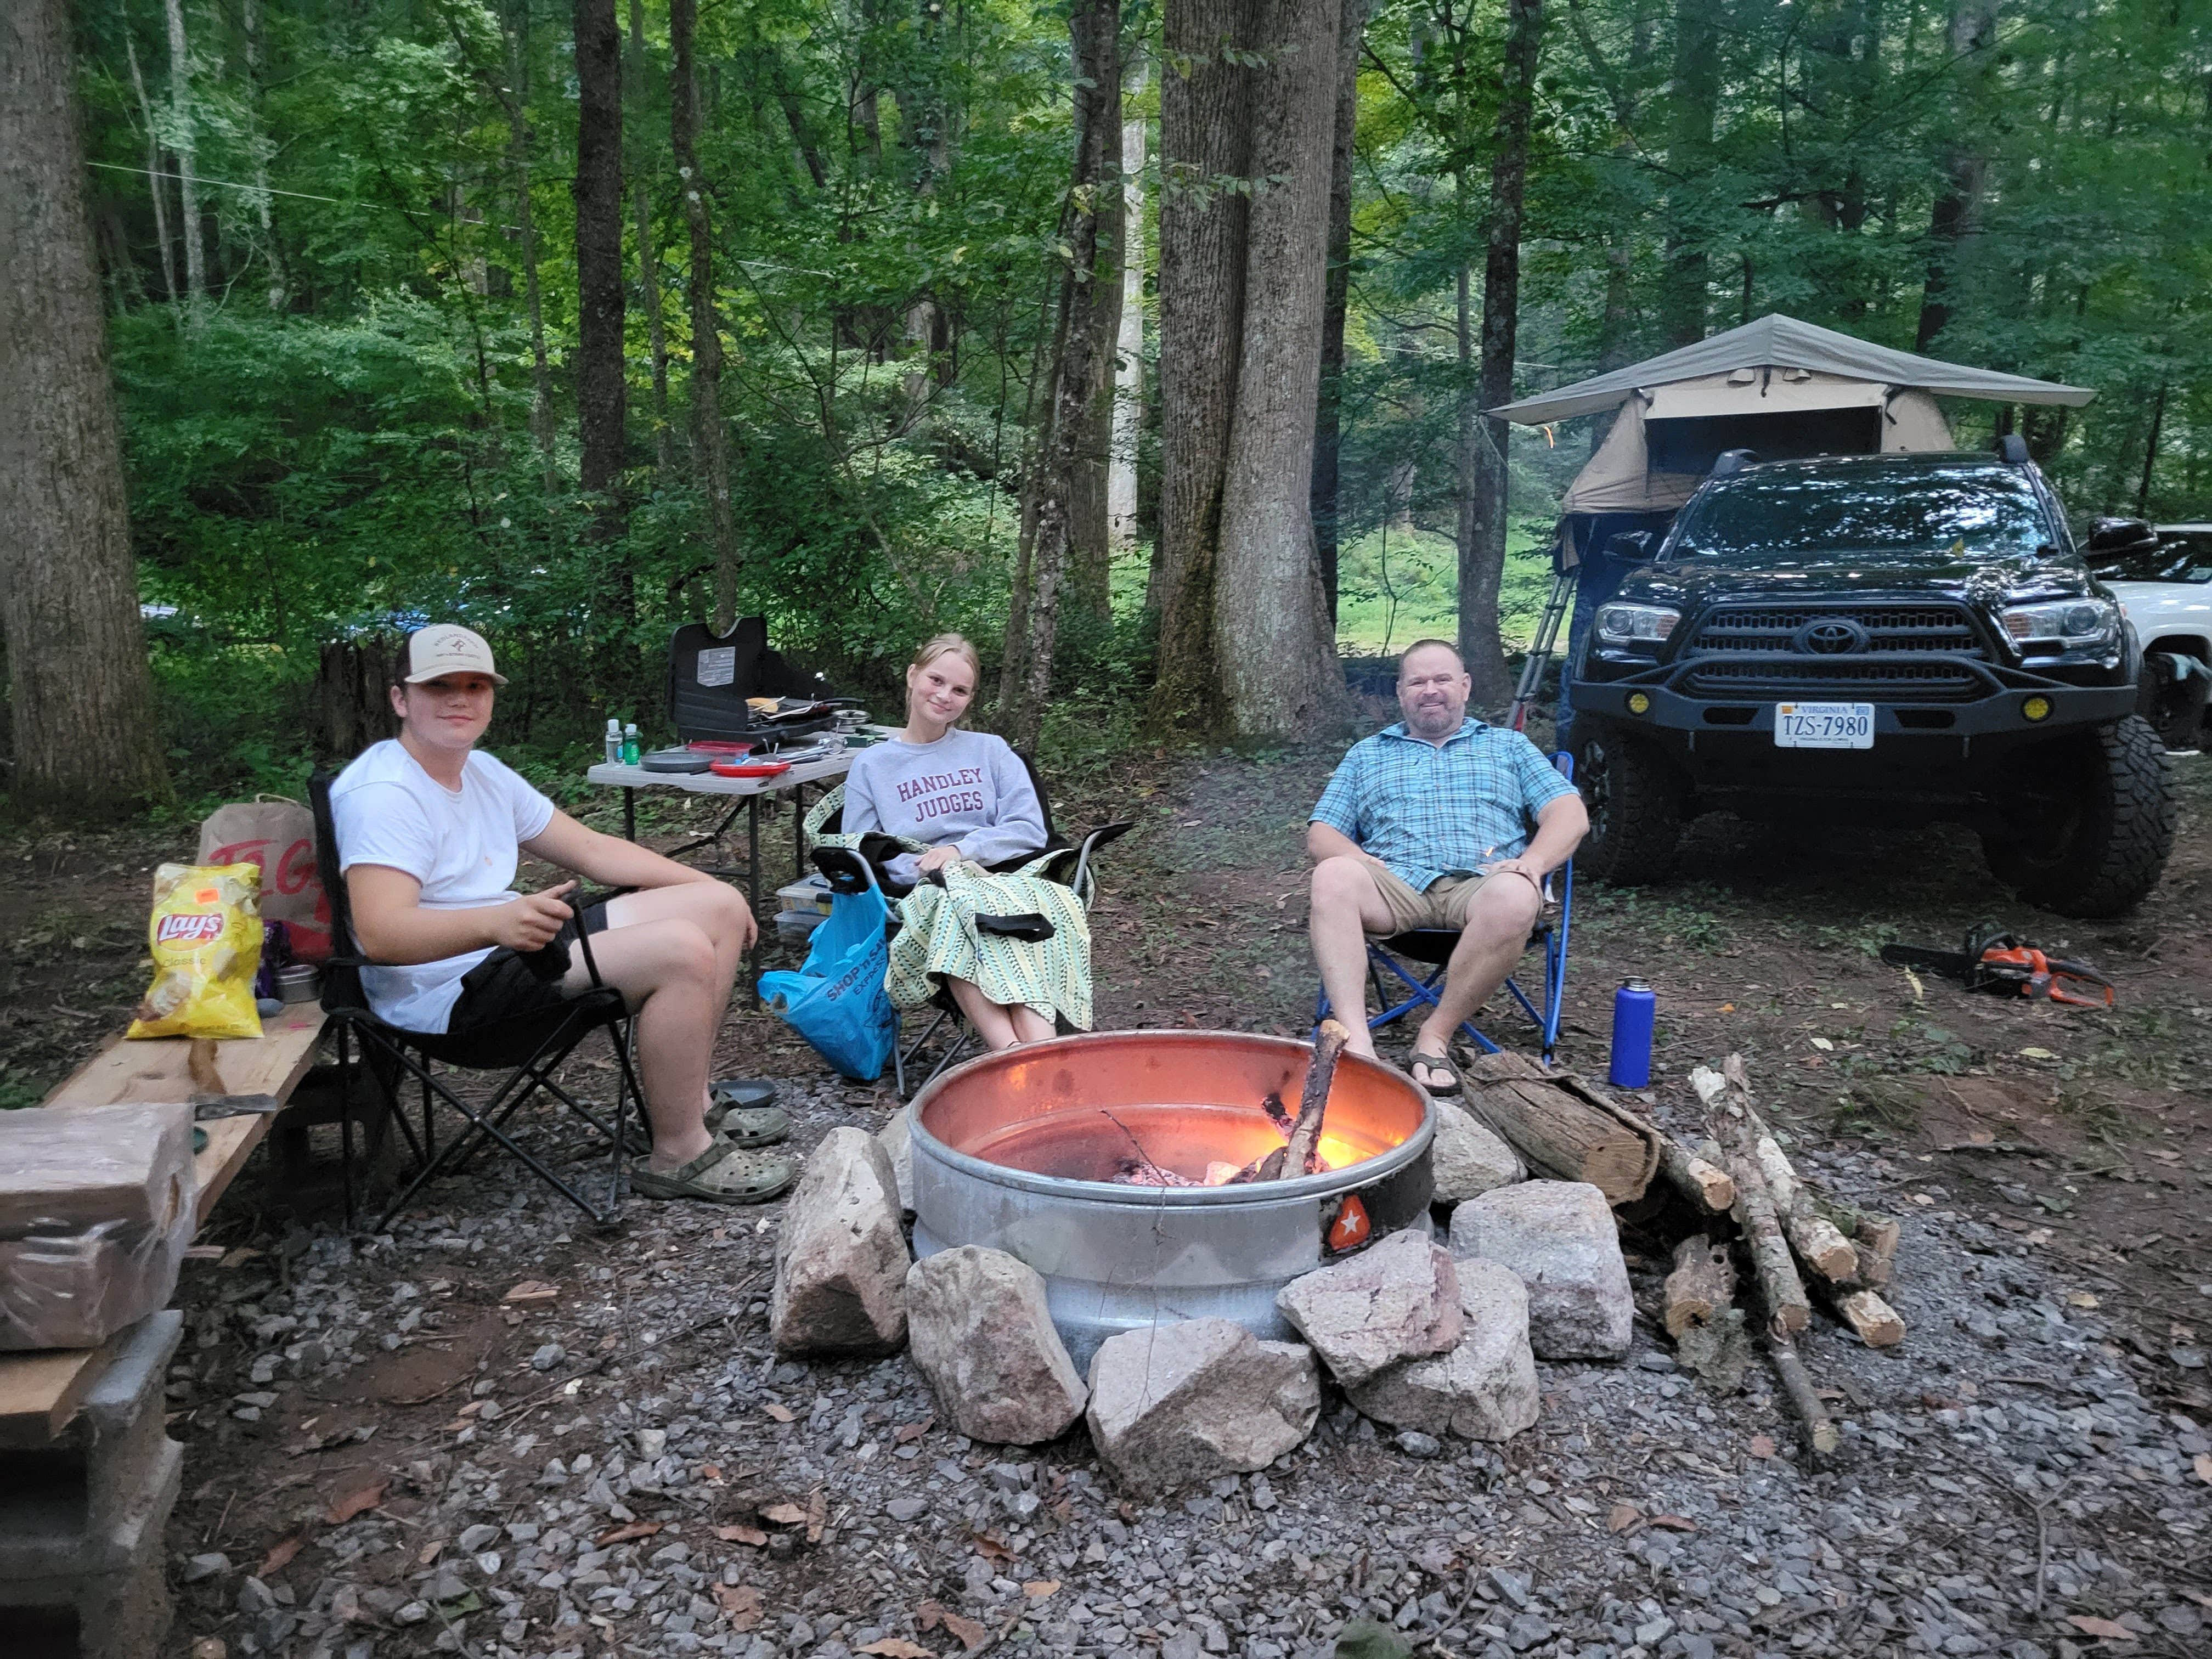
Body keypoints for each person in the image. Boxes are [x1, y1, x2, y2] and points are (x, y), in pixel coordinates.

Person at [329, 623, 793, 1204]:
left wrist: (710, 883)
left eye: (475, 685)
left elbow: (592, 850)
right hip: (448, 995)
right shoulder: (383, 793)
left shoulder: (482, 772)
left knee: (716, 907)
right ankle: (678, 1154)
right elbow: (381, 934)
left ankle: (690, 1109)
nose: (459, 699)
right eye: (438, 685)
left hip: (512, 947)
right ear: (401, 699)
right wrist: (494, 924)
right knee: (681, 950)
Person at [1308, 638, 1589, 1094]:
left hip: (1484, 887)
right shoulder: (1367, 754)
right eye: (1417, 682)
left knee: (1516, 892)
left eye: (1442, 679)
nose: (1430, 690)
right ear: (1401, 692)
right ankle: (1357, 1046)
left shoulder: (1509, 746)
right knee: (1332, 874)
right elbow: (1322, 834)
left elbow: (1569, 814)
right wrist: (1359, 859)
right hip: (1395, 886)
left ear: (1465, 686)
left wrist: (1532, 863)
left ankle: (1435, 1035)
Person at [838, 634, 1090, 1049]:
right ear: (913, 675)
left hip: (1004, 877)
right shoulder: (872, 765)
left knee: (1013, 917)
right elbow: (864, 849)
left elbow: (1029, 828)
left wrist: (961, 851)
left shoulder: (991, 751)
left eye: (960, 690)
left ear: (970, 699)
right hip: (928, 887)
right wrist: (929, 868)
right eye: (936, 681)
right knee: (956, 916)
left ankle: (1029, 1058)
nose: (944, 696)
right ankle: (1022, 1056)